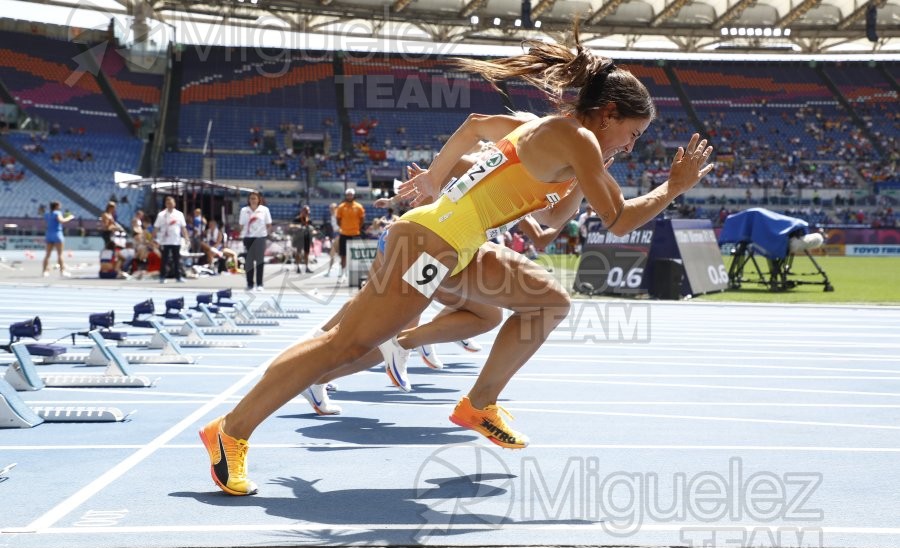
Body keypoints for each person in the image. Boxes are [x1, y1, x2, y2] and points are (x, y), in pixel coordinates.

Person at [200, 30, 714, 495]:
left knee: (548, 302)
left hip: (454, 244)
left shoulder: (547, 130)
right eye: (633, 133)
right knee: (347, 343)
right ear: (608, 114)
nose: (630, 144)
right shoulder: (577, 138)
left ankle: (479, 404)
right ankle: (230, 431)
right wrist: (675, 186)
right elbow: (621, 220)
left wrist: (435, 177)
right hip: (430, 242)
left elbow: (476, 131)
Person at [239, 191, 272, 291]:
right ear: (248, 200)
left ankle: (259, 284)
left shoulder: (264, 210)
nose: (253, 200)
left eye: (255, 198)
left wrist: (266, 235)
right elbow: (241, 224)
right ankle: (250, 284)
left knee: (259, 261)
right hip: (248, 237)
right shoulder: (244, 210)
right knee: (249, 262)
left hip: (260, 237)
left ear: (258, 200)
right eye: (251, 198)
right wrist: (243, 235)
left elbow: (269, 224)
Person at [153, 195, 189, 284]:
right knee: (164, 260)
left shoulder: (179, 214)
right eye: (168, 203)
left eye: (171, 203)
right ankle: (162, 277)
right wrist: (153, 239)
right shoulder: (161, 215)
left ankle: (178, 276)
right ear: (166, 204)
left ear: (174, 204)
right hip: (165, 241)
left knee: (177, 260)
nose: (170, 205)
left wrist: (186, 237)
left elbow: (183, 227)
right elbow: (156, 228)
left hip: (176, 240)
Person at [335, 188, 365, 281]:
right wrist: (344, 228)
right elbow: (338, 220)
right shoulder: (341, 207)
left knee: (356, 255)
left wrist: (356, 228)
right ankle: (343, 274)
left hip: (355, 234)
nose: (349, 196)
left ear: (353, 195)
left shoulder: (359, 207)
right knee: (343, 255)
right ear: (346, 195)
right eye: (348, 194)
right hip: (344, 233)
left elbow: (362, 220)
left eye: (351, 194)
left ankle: (355, 274)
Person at [41, 200, 74, 277]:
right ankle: (62, 271)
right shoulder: (57, 213)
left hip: (49, 234)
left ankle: (45, 271)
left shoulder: (47, 214)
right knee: (60, 254)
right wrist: (69, 217)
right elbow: (62, 221)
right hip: (57, 234)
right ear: (56, 206)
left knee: (47, 254)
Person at [290, 204, 316, 273]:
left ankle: (306, 267)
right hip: (299, 238)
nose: (307, 213)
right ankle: (297, 267)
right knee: (298, 252)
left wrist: (313, 231)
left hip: (307, 238)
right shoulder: (297, 219)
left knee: (306, 253)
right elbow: (291, 225)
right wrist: (298, 226)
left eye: (307, 211)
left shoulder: (309, 220)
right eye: (305, 211)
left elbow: (313, 228)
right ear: (302, 211)